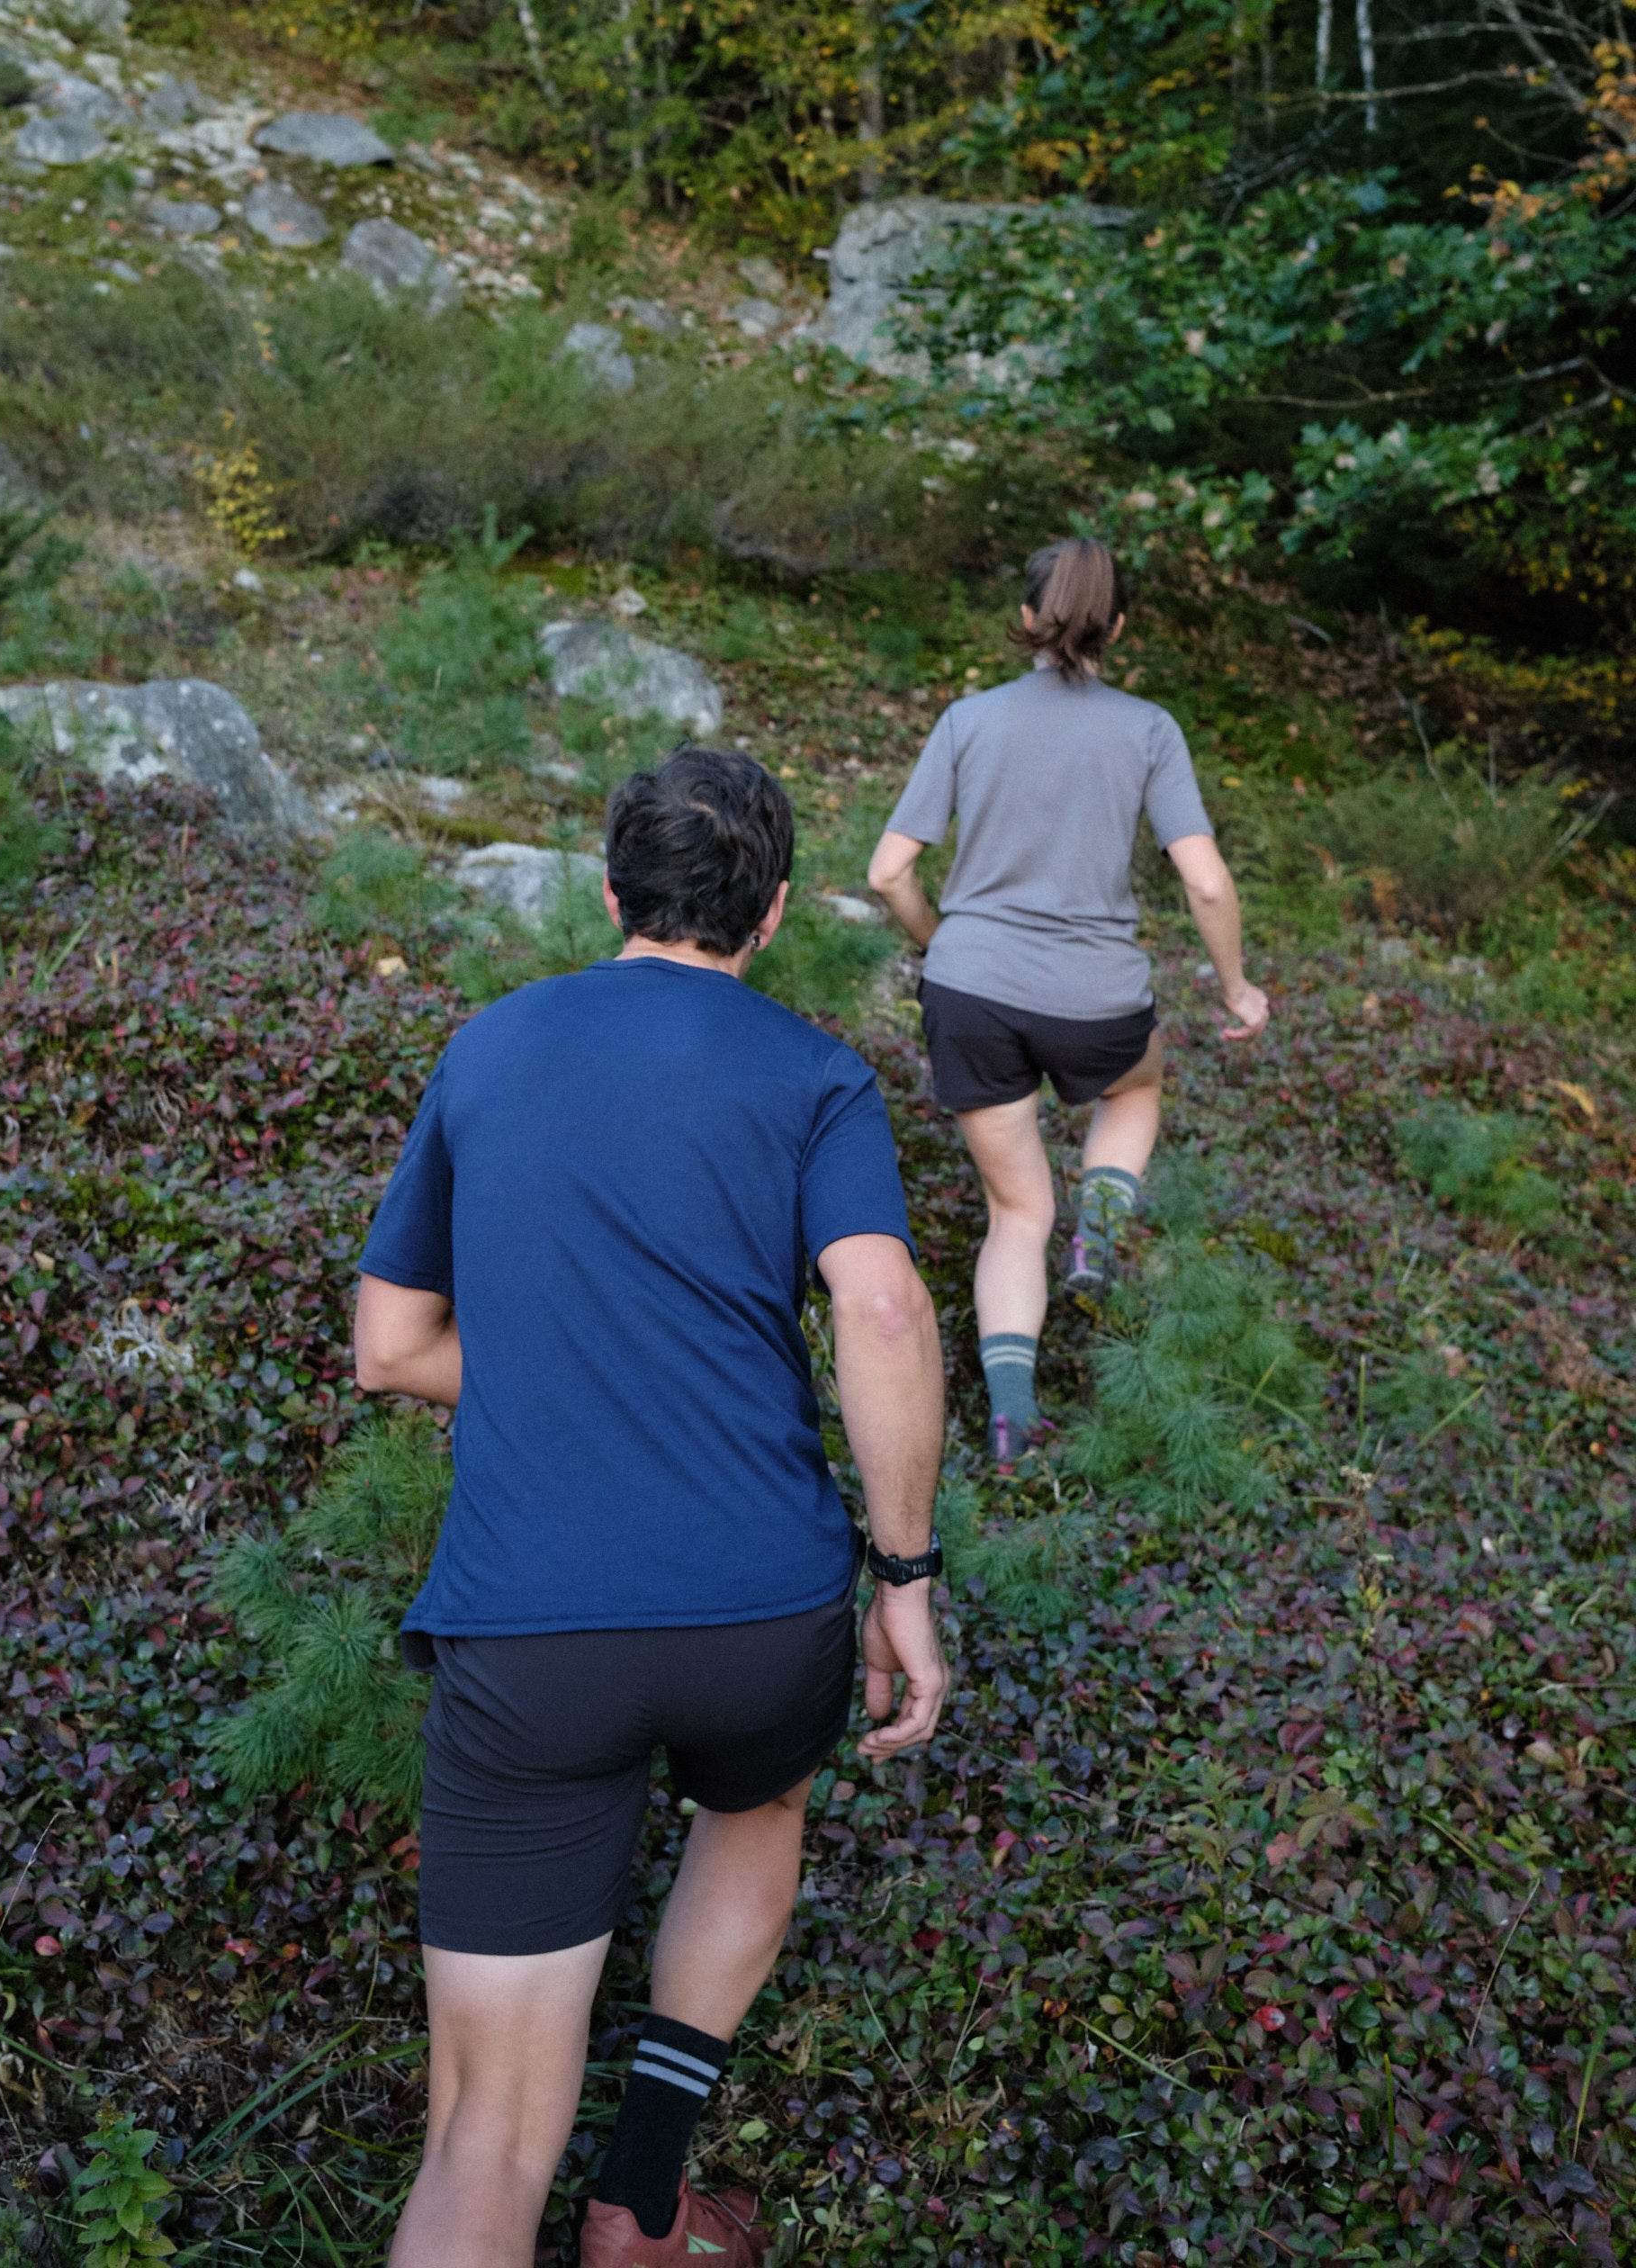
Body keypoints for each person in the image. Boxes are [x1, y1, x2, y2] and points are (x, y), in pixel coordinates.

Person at [354, 745, 948, 2268]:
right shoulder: (816, 1074)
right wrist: (903, 1575)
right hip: (762, 1606)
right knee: (754, 1804)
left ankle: (560, 2189)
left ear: (610, 889)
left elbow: (393, 1346)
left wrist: (566, 1378)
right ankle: (642, 2198)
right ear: (768, 921)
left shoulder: (486, 1050)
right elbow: (879, 1313)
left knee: (481, 2139)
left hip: (531, 1626)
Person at [866, 536, 1268, 1467]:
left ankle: (1011, 1415)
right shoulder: (1149, 730)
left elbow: (889, 872)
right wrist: (1238, 987)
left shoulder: (968, 719)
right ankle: (1103, 1229)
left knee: (1015, 1213)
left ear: (1023, 620)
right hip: (1098, 998)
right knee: (1135, 1089)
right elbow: (1206, 884)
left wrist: (942, 940)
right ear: (1118, 627)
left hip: (969, 992)